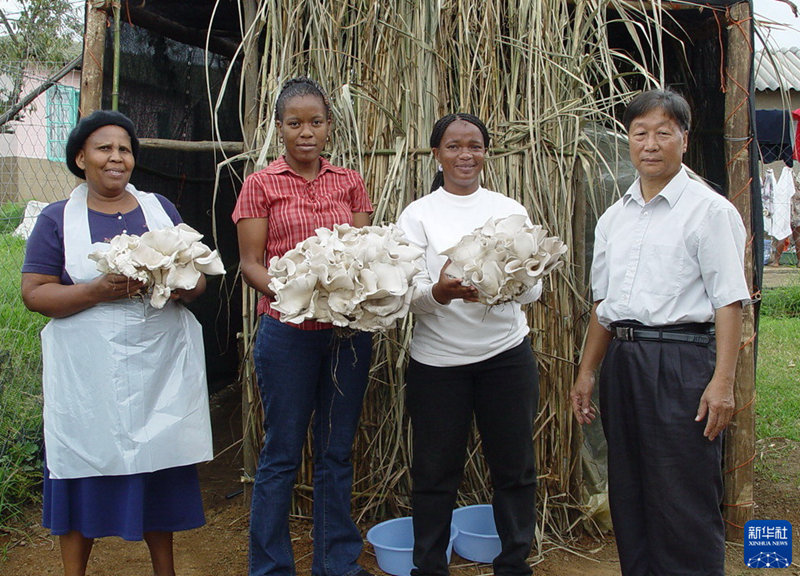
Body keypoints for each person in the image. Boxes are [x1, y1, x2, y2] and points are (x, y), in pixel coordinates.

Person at [21, 110, 214, 576]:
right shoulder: (57, 219)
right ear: (81, 157)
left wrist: (181, 283)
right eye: (104, 148)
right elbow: (35, 292)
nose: (116, 157)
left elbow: (197, 279)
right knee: (82, 468)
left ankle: (163, 570)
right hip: (89, 378)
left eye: (125, 149)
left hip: (156, 372)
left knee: (157, 464)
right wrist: (94, 291)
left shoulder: (159, 209)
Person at [569, 89, 750, 576]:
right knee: (630, 490)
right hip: (623, 364)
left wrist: (723, 381)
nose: (650, 144)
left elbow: (729, 302)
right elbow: (604, 306)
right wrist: (588, 372)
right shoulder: (615, 217)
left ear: (684, 140)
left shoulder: (709, 212)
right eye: (639, 133)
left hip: (682, 362)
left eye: (662, 133)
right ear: (628, 140)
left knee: (682, 493)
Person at [232, 77, 374, 576]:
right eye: (295, 123)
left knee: (336, 452)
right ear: (279, 128)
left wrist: (345, 299)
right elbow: (251, 262)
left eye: (316, 122)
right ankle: (271, 568)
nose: (306, 132)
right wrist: (293, 297)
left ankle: (337, 565)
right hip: (286, 333)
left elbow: (360, 259)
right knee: (282, 452)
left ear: (330, 126)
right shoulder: (261, 184)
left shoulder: (350, 182)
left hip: (346, 336)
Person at [396, 113, 542, 576]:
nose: (466, 155)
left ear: (486, 152)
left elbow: (534, 287)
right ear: (436, 154)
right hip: (438, 364)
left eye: (475, 145)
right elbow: (409, 295)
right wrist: (440, 292)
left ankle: (514, 563)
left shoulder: (509, 210)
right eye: (454, 146)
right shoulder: (418, 215)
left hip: (505, 356)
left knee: (514, 470)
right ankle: (429, 567)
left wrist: (509, 285)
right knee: (435, 474)